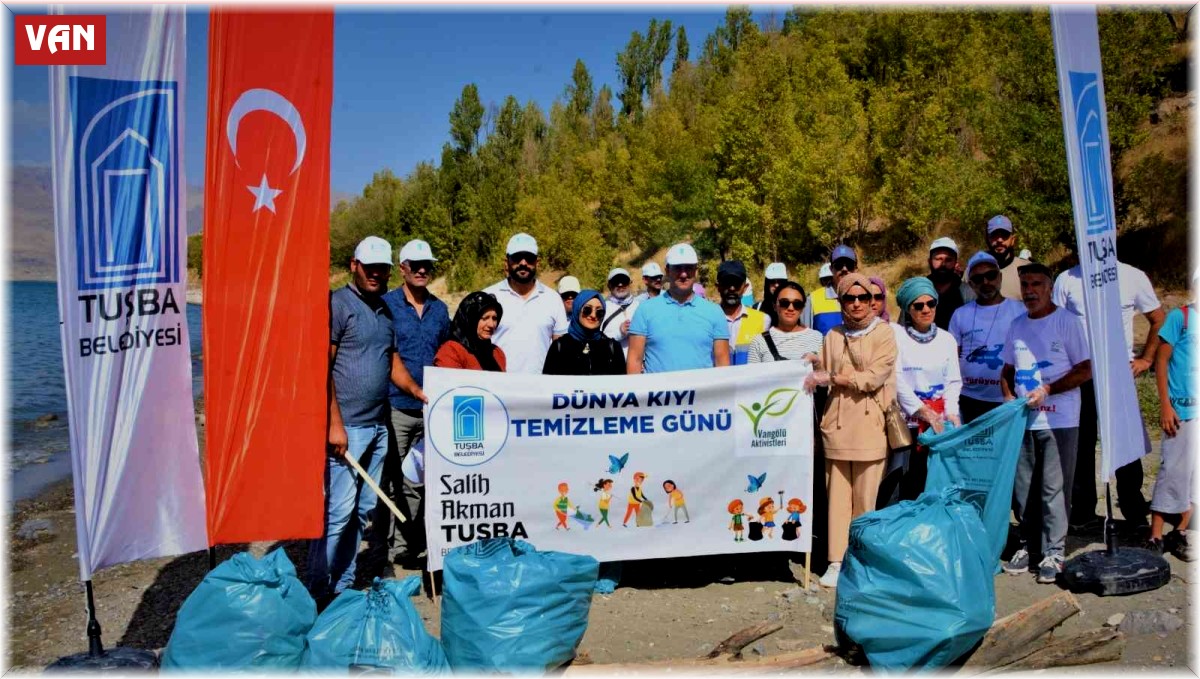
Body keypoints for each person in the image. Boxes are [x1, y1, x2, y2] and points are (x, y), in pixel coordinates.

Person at [308, 236, 424, 606]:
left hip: (377, 426)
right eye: (369, 267)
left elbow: (391, 363)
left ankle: (341, 587)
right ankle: (316, 590)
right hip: (347, 430)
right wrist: (333, 424)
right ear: (354, 265)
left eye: (382, 269)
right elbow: (321, 367)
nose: (376, 274)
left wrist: (420, 393)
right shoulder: (338, 305)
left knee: (362, 513)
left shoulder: (384, 311)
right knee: (338, 513)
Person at [1054, 256, 1164, 531]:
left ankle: (1134, 511)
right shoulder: (1067, 279)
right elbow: (1053, 324)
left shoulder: (1132, 275)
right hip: (1081, 374)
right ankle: (1082, 512)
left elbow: (1158, 318)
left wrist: (1146, 360)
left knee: (1125, 443)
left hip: (1117, 374)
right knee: (1082, 442)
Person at [803, 273, 897, 588]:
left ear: (873, 301)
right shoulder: (832, 335)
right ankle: (835, 560)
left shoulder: (884, 333)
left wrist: (834, 377)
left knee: (865, 499)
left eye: (863, 298)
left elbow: (873, 377)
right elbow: (825, 377)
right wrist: (815, 365)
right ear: (841, 302)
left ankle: (862, 560)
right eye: (848, 298)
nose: (856, 304)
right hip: (836, 424)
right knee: (837, 498)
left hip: (870, 424)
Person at [1001, 263, 1092, 584]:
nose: (1030, 291)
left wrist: (1050, 389)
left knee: (1054, 489)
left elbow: (1085, 369)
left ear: (1049, 287)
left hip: (1060, 420)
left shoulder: (1067, 322)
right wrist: (1010, 402)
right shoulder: (1016, 325)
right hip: (1024, 423)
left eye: (1036, 284)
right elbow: (1007, 373)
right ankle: (1029, 546)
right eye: (1025, 284)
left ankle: (1054, 551)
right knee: (1023, 488)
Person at [377, 238, 447, 566]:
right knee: (394, 479)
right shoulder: (385, 305)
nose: (421, 270)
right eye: (415, 265)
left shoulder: (440, 309)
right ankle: (394, 547)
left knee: (424, 479)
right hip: (395, 406)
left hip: (431, 408)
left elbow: (447, 355)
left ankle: (418, 542)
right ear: (401, 268)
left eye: (427, 265)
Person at [890, 277, 962, 502]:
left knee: (932, 482)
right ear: (907, 308)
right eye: (918, 305)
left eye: (931, 303)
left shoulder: (947, 339)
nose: (926, 309)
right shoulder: (896, 337)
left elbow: (953, 381)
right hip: (907, 424)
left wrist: (951, 412)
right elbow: (896, 379)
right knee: (905, 483)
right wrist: (921, 411)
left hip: (938, 425)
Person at [1147, 274, 1197, 560]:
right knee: (1172, 473)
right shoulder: (1181, 318)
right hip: (1182, 411)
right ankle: (1154, 536)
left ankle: (1179, 532)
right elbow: (1161, 361)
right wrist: (1166, 405)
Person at [627, 243, 730, 374]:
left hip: (702, 394)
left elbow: (723, 364)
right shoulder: (645, 310)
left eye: (688, 268)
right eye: (678, 268)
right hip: (659, 394)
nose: (683, 274)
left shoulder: (714, 312)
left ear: (696, 271)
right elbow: (634, 360)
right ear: (667, 271)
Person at [949, 252, 1027, 423]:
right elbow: (952, 358)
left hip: (1009, 399)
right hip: (969, 400)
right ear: (970, 284)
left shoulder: (1020, 311)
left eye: (990, 276)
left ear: (999, 277)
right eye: (978, 279)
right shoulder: (960, 314)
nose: (985, 282)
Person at [484, 233, 568, 374]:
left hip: (540, 389)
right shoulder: (488, 297)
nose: (523, 263)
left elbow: (562, 349)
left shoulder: (552, 299)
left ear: (537, 263)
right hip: (498, 388)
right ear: (506, 263)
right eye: (517, 258)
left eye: (529, 258)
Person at [543, 290, 627, 376]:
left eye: (599, 312)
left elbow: (621, 386)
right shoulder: (559, 346)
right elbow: (547, 385)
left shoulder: (613, 347)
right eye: (587, 309)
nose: (593, 315)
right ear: (577, 310)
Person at [747, 281, 823, 365]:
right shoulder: (759, 342)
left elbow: (826, 374)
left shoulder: (818, 338)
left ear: (802, 308)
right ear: (775, 306)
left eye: (797, 304)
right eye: (784, 303)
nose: (791, 308)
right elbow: (753, 376)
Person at [434, 291, 507, 371]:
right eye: (485, 318)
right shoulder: (452, 351)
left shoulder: (497, 353)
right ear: (471, 319)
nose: (491, 324)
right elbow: (448, 382)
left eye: (494, 318)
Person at [716, 260, 770, 365]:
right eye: (727, 283)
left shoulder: (763, 320)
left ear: (745, 288)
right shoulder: (707, 319)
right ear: (718, 287)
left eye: (736, 284)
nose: (732, 288)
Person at [803, 245, 857, 336]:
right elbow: (804, 338)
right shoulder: (812, 299)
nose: (844, 269)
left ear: (855, 269)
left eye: (849, 265)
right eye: (839, 265)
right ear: (831, 269)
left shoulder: (864, 297)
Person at [926, 237, 975, 330]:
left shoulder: (967, 293)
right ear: (929, 261)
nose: (943, 264)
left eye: (948, 260)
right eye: (938, 259)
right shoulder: (918, 291)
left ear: (955, 263)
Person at [985, 215, 1031, 301]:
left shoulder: (1028, 270)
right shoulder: (974, 271)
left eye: (1004, 235)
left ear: (1013, 239)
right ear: (987, 239)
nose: (999, 240)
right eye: (994, 235)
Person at [602, 268, 640, 354]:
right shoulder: (602, 308)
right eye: (616, 282)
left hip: (640, 363)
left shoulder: (639, 306)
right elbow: (599, 339)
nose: (620, 285)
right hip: (615, 364)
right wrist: (620, 332)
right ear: (609, 285)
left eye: (624, 281)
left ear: (629, 283)